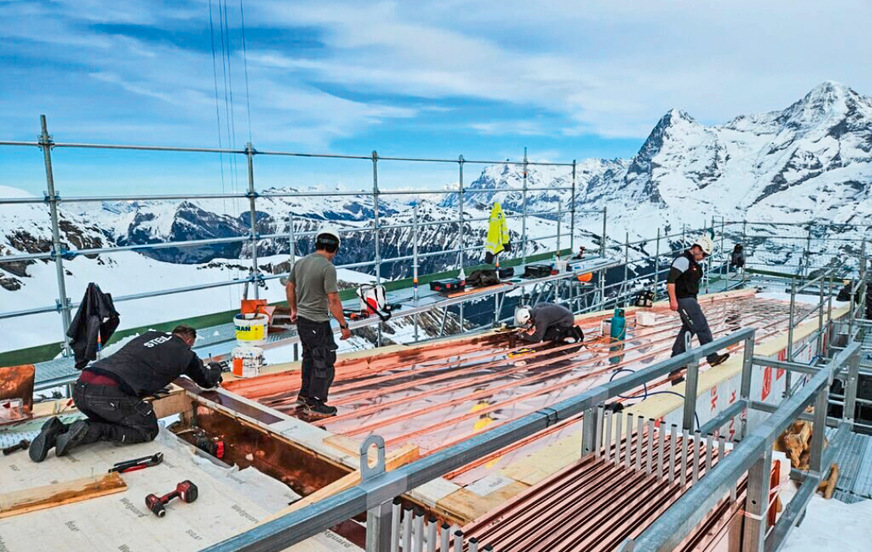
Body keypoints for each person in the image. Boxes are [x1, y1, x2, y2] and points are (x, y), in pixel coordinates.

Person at [29, 325, 222, 462]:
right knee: (146, 429)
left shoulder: (149, 336)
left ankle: (59, 430)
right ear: (189, 341)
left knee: (117, 419)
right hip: (110, 393)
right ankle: (91, 431)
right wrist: (215, 367)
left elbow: (140, 362)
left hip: (83, 386)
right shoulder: (185, 353)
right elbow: (207, 381)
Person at [286, 225, 352, 418]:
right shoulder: (328, 268)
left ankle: (304, 395)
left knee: (309, 358)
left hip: (303, 321)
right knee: (323, 361)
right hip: (318, 322)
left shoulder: (301, 263)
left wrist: (294, 309)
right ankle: (315, 403)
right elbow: (333, 300)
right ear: (336, 248)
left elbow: (290, 287)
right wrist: (343, 325)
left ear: (317, 243)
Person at [667, 236, 729, 384]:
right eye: (704, 254)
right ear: (696, 249)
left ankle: (675, 366)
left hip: (689, 299)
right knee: (701, 325)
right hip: (684, 299)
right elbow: (670, 280)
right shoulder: (683, 260)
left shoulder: (691, 261)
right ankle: (712, 356)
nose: (704, 257)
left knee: (689, 328)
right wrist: (673, 300)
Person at [515, 303, 584, 344]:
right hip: (564, 315)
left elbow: (537, 339)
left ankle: (569, 332)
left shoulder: (540, 318)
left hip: (566, 321)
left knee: (546, 337)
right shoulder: (537, 307)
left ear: (529, 320)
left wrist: (523, 335)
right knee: (544, 330)